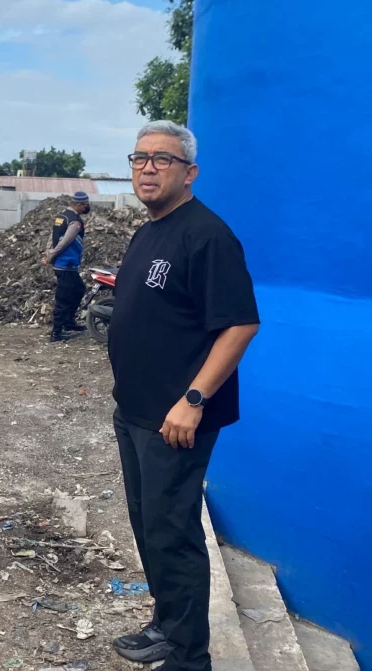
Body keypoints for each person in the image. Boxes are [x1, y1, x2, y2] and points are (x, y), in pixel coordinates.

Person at [108, 121, 260, 671]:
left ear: (189, 172)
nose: (147, 168)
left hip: (175, 419)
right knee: (149, 526)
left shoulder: (207, 236)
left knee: (173, 532)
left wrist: (192, 400)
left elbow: (240, 325)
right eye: (140, 157)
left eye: (162, 159)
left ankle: (190, 656)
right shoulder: (148, 232)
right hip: (136, 410)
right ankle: (168, 624)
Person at [42, 191, 90, 341]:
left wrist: (48, 252)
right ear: (79, 205)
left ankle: (68, 322)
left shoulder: (61, 216)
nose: (87, 207)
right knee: (63, 298)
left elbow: (52, 237)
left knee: (79, 289)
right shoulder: (75, 222)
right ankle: (56, 333)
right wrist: (51, 256)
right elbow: (64, 243)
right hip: (66, 264)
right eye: (86, 205)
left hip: (65, 264)